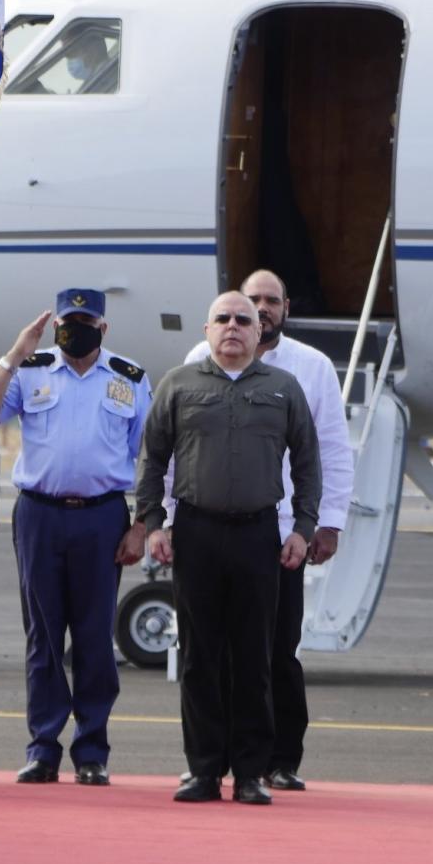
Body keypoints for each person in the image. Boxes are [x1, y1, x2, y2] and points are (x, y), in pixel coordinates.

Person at [136, 291, 321, 806]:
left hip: (259, 534)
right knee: (199, 655)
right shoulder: (179, 385)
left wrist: (303, 529)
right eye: (224, 319)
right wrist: (154, 523)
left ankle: (250, 773)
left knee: (255, 657)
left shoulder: (284, 390)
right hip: (196, 533)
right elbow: (151, 460)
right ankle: (203, 769)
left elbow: (308, 464)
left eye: (245, 320)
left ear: (260, 332)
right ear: (207, 329)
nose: (234, 327)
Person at [174, 270, 354, 792]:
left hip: (280, 537)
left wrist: (326, 523)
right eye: (250, 302)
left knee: (275, 651)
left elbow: (328, 453)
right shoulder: (195, 365)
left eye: (269, 302)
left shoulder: (310, 369)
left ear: (283, 309)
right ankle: (211, 760)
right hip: (206, 531)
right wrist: (159, 519)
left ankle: (278, 759)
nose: (259, 311)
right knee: (210, 653)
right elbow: (167, 453)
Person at [0, 289, 152, 786]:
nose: (73, 329)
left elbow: (148, 455)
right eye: (67, 320)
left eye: (85, 322)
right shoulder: (32, 369)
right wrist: (13, 355)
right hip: (40, 515)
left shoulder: (129, 379)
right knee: (42, 636)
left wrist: (140, 525)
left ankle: (91, 749)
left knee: (93, 638)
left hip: (102, 518)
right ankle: (42, 747)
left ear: (102, 329)